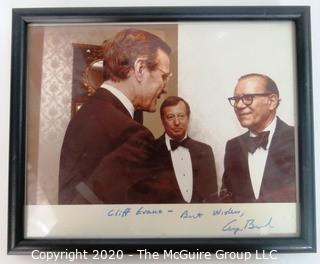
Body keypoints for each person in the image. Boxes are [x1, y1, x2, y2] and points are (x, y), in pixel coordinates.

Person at [58, 28, 172, 204]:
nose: (165, 87)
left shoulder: (85, 115)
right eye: (163, 77)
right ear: (140, 68)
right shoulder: (133, 135)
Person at [221, 73, 296, 203]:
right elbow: (227, 200)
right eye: (236, 99)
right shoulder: (233, 146)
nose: (239, 106)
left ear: (272, 102)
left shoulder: (298, 139)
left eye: (248, 98)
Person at [128, 96, 218, 203]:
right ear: (162, 121)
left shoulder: (205, 151)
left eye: (181, 116)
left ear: (188, 118)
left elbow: (212, 197)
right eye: (170, 117)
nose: (177, 122)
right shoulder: (149, 151)